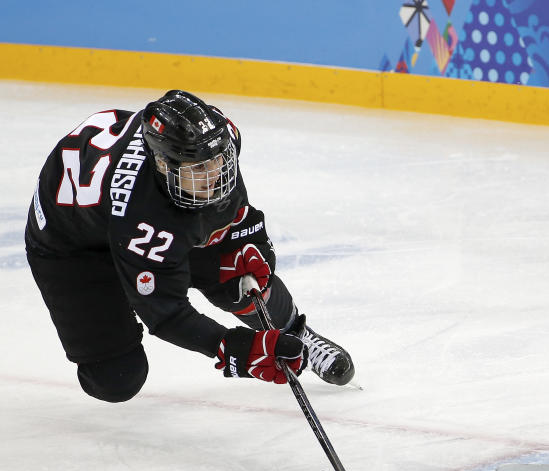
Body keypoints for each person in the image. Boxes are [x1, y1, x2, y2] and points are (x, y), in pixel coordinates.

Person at [26, 89, 355, 403]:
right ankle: (118, 291)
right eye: (199, 168)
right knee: (116, 379)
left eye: (219, 160)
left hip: (126, 220)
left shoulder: (209, 149)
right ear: (163, 165)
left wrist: (252, 250)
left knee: (234, 273)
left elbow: (239, 217)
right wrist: (234, 347)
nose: (215, 174)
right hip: (72, 247)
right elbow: (166, 314)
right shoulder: (145, 215)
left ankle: (298, 334)